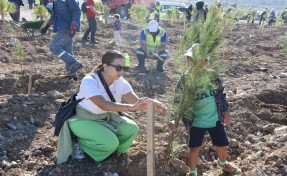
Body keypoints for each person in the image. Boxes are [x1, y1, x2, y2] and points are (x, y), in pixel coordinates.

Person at [55, 50, 166, 164]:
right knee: (110, 143)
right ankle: (78, 142)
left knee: (132, 129)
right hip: (83, 118)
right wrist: (131, 107)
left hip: (104, 117)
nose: (122, 71)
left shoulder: (120, 81)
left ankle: (114, 152)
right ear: (105, 66)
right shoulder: (89, 80)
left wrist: (153, 104)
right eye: (118, 68)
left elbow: (135, 102)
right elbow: (103, 104)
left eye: (124, 68)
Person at [169, 44, 241, 176]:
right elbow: (178, 101)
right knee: (194, 148)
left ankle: (223, 163)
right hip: (195, 122)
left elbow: (221, 95)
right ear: (189, 61)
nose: (196, 64)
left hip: (215, 119)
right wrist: (173, 118)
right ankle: (192, 171)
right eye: (192, 60)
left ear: (206, 61)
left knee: (223, 146)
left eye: (200, 60)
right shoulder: (185, 79)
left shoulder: (212, 76)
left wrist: (226, 112)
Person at [41, 0, 83, 80]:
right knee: (68, 52)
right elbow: (54, 15)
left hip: (67, 29)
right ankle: (72, 73)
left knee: (54, 47)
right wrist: (47, 26)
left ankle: (74, 63)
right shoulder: (56, 2)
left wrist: (73, 27)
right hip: (62, 29)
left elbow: (76, 11)